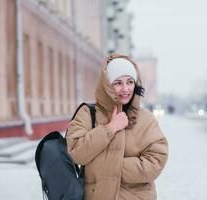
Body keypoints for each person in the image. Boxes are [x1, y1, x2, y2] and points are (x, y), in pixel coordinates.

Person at [66, 54, 169, 200]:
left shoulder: (145, 118)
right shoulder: (88, 114)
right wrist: (110, 128)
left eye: (130, 82)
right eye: (118, 83)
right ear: (107, 85)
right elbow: (76, 153)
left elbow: (156, 160)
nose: (125, 89)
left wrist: (110, 166)